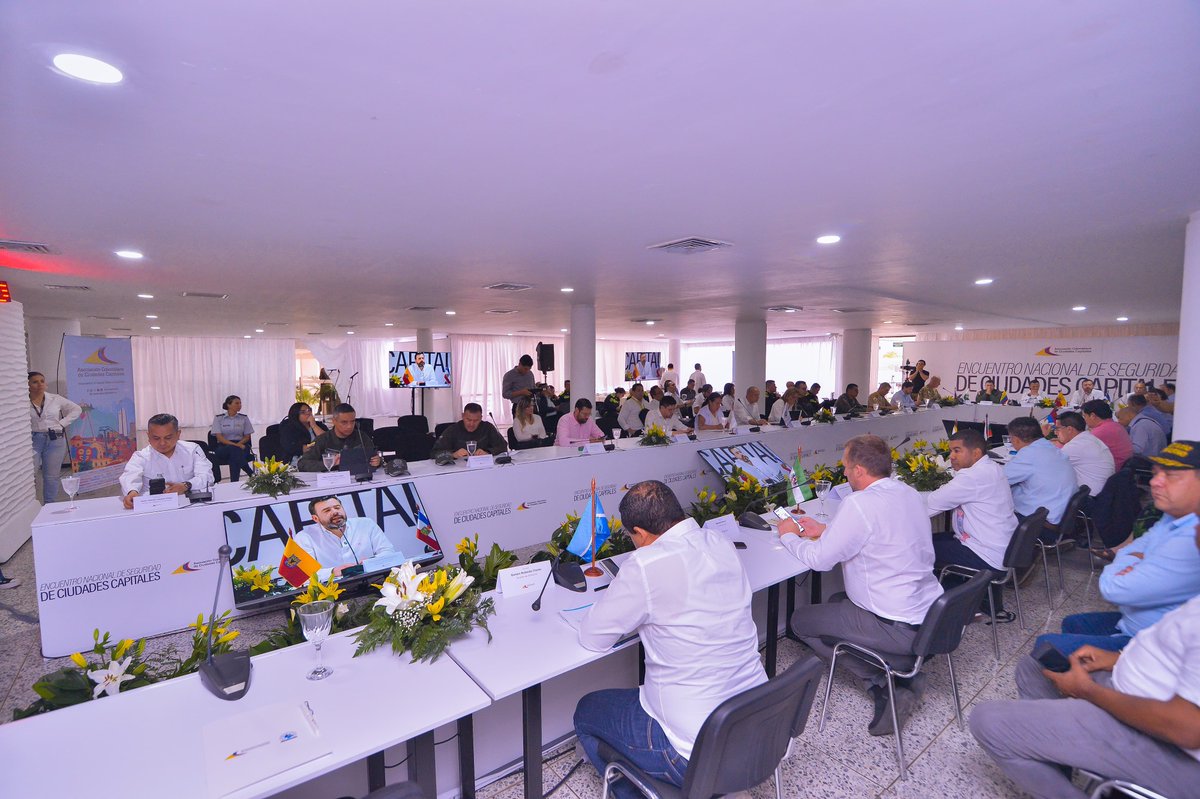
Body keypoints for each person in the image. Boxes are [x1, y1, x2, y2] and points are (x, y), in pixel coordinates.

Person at [970, 520, 1200, 799]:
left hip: (1171, 746)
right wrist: (1116, 658)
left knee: (987, 721)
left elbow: (1187, 729)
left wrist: (1088, 691)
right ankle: (1056, 752)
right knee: (1035, 666)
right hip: (1142, 688)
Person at [574, 480, 767, 795]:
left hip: (691, 750)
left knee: (587, 710)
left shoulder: (645, 564)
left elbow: (593, 637)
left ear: (641, 534)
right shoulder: (720, 543)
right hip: (756, 726)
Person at [780, 436, 944, 735]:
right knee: (837, 599)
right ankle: (896, 669)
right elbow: (883, 533)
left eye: (845, 467)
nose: (843, 473)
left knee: (800, 621)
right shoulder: (908, 493)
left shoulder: (859, 503)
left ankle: (885, 682)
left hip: (895, 628)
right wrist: (828, 530)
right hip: (930, 618)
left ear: (858, 470)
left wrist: (788, 535)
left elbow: (819, 561)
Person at [1032, 441, 1200, 656]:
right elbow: (1137, 546)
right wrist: (1138, 558)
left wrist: (1132, 558)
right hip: (1134, 622)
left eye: (1171, 476)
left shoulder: (1190, 540)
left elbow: (1114, 588)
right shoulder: (1173, 516)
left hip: (1154, 644)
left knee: (1046, 648)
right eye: (1157, 473)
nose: (1155, 482)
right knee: (1074, 623)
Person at [926, 429, 1018, 620]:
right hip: (1000, 549)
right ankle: (970, 597)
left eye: (957, 451)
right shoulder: (990, 467)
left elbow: (930, 505)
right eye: (950, 451)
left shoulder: (972, 478)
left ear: (976, 453)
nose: (951, 456)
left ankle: (938, 606)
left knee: (919, 547)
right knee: (935, 539)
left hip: (984, 554)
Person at [1004, 416, 1078, 539]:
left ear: (1015, 439)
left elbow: (997, 480)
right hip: (1059, 519)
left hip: (1041, 526)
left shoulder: (1029, 454)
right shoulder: (1050, 448)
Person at [120, 413, 214, 509]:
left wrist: (186, 486)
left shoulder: (192, 450)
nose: (162, 443)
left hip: (190, 505)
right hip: (154, 508)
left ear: (178, 434)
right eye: (156, 438)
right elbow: (129, 477)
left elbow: (207, 476)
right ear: (148, 436)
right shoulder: (141, 457)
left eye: (168, 438)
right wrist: (132, 492)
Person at [294, 495, 397, 581]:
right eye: (327, 510)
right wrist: (333, 572)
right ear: (315, 518)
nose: (334, 512)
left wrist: (373, 561)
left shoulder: (366, 524)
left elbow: (388, 552)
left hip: (375, 582)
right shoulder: (304, 538)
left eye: (337, 507)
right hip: (331, 592)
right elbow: (302, 574)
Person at [28, 371, 82, 503]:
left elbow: (77, 409)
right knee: (30, 474)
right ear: (28, 385)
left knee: (51, 476)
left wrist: (62, 423)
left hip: (55, 439)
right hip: (32, 440)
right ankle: (29, 505)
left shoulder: (55, 398)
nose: (40, 384)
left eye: (42, 381)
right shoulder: (22, 401)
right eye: (35, 382)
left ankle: (49, 504)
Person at [298, 403, 383, 471]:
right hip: (331, 482)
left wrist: (378, 461)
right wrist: (330, 463)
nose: (349, 426)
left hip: (357, 480)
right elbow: (303, 464)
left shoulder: (361, 436)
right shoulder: (323, 439)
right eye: (344, 422)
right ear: (334, 421)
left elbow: (375, 457)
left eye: (352, 422)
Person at [1051, 411, 1115, 496]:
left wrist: (1040, 438)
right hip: (1102, 495)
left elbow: (1047, 466)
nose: (1055, 433)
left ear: (1069, 429)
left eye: (1057, 429)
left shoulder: (1076, 446)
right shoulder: (1087, 439)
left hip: (1090, 499)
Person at [431, 403, 508, 457]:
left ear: (481, 418)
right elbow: (434, 453)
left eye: (476, 421)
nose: (471, 424)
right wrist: (453, 454)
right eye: (468, 420)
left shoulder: (487, 427)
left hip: (483, 467)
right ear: (463, 416)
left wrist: (488, 452)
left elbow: (503, 446)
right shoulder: (452, 430)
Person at [212, 395, 255, 481]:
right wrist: (236, 445)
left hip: (242, 444)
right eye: (237, 403)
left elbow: (247, 436)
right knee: (234, 450)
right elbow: (220, 438)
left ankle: (234, 482)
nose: (240, 405)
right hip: (223, 447)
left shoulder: (244, 418)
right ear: (229, 405)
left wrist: (238, 444)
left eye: (240, 403)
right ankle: (249, 472)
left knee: (234, 455)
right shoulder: (218, 418)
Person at [1081, 399, 1133, 471]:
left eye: (1084, 416)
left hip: (1113, 472)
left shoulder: (1099, 432)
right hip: (1123, 469)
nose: (1084, 420)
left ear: (1092, 416)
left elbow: (1079, 452)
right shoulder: (1116, 426)